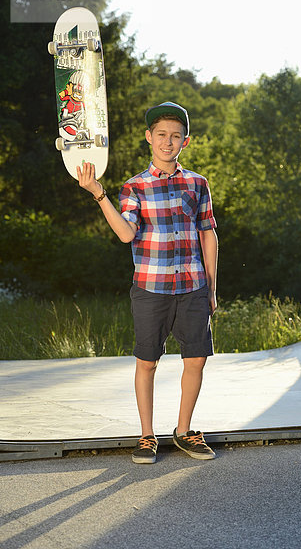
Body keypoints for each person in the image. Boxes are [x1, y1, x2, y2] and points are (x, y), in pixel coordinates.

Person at [77, 101, 218, 464]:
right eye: (161, 136)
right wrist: (98, 193)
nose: (167, 142)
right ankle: (146, 435)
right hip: (150, 288)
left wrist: (212, 288)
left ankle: (185, 431)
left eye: (175, 136)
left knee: (196, 359)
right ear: (149, 138)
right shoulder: (133, 187)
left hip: (192, 286)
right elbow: (126, 234)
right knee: (147, 362)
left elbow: (208, 235)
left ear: (185, 141)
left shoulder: (197, 184)